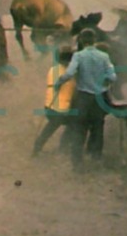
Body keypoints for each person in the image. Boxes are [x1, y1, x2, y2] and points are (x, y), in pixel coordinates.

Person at [53, 29, 117, 172]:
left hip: (83, 98)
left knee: (79, 129)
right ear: (94, 40)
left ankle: (77, 163)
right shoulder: (104, 56)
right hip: (99, 99)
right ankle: (95, 159)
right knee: (98, 129)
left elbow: (69, 73)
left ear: (81, 40)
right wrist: (104, 83)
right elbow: (112, 77)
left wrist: (59, 82)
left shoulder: (78, 55)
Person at [31, 46, 77, 156]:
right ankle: (63, 148)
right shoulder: (71, 74)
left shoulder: (52, 70)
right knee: (74, 125)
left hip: (49, 106)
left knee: (49, 128)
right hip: (63, 110)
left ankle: (37, 147)